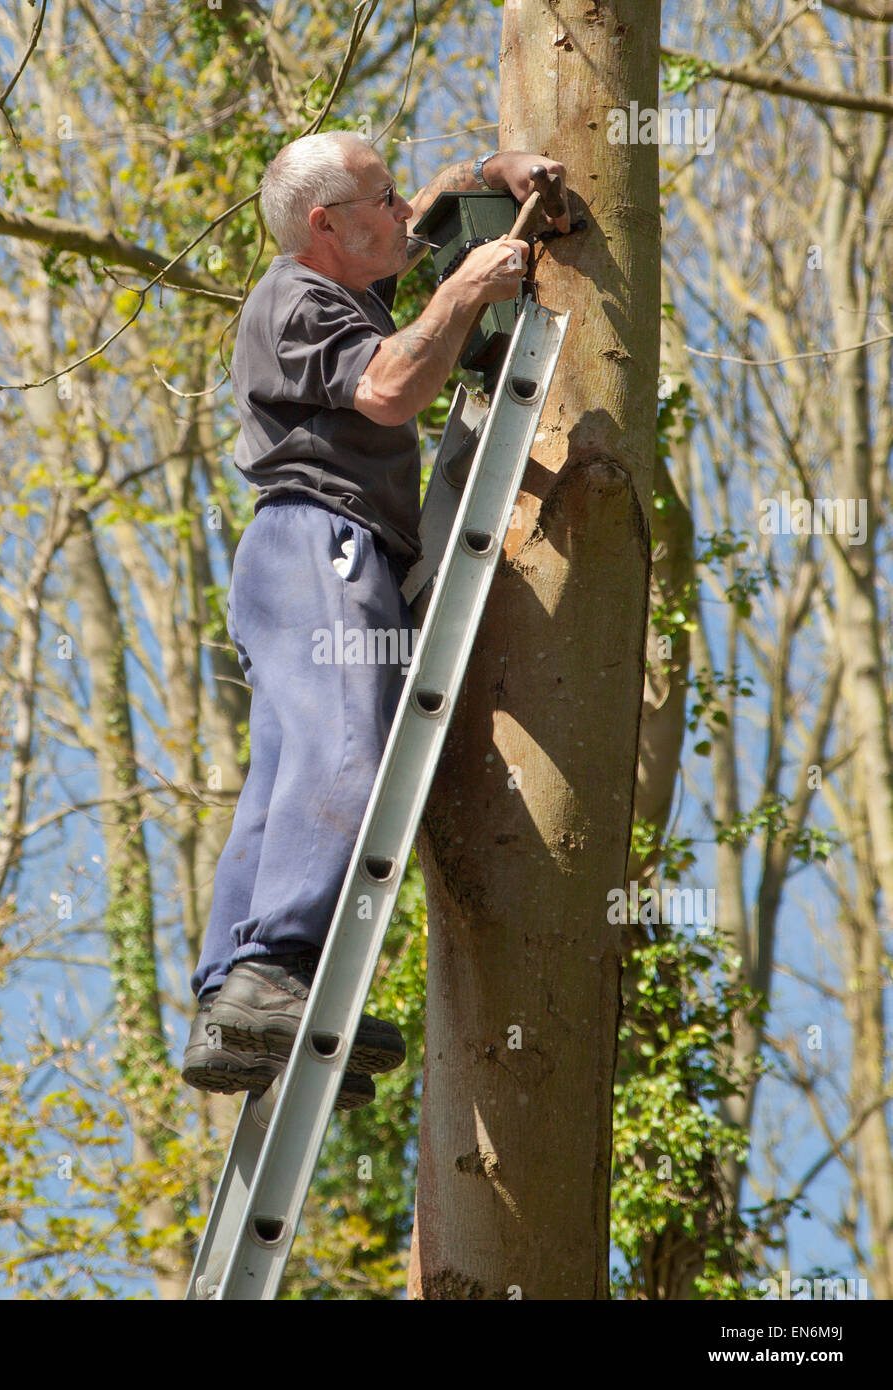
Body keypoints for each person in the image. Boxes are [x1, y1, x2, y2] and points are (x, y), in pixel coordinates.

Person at [181, 132, 569, 1109]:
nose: (403, 213)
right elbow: (391, 388)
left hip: (290, 556)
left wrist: (486, 179)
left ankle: (240, 998)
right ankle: (275, 970)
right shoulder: (297, 298)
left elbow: (415, 231)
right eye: (383, 200)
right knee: (346, 748)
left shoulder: (341, 293)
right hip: (324, 541)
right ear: (325, 225)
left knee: (282, 774)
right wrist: (468, 291)